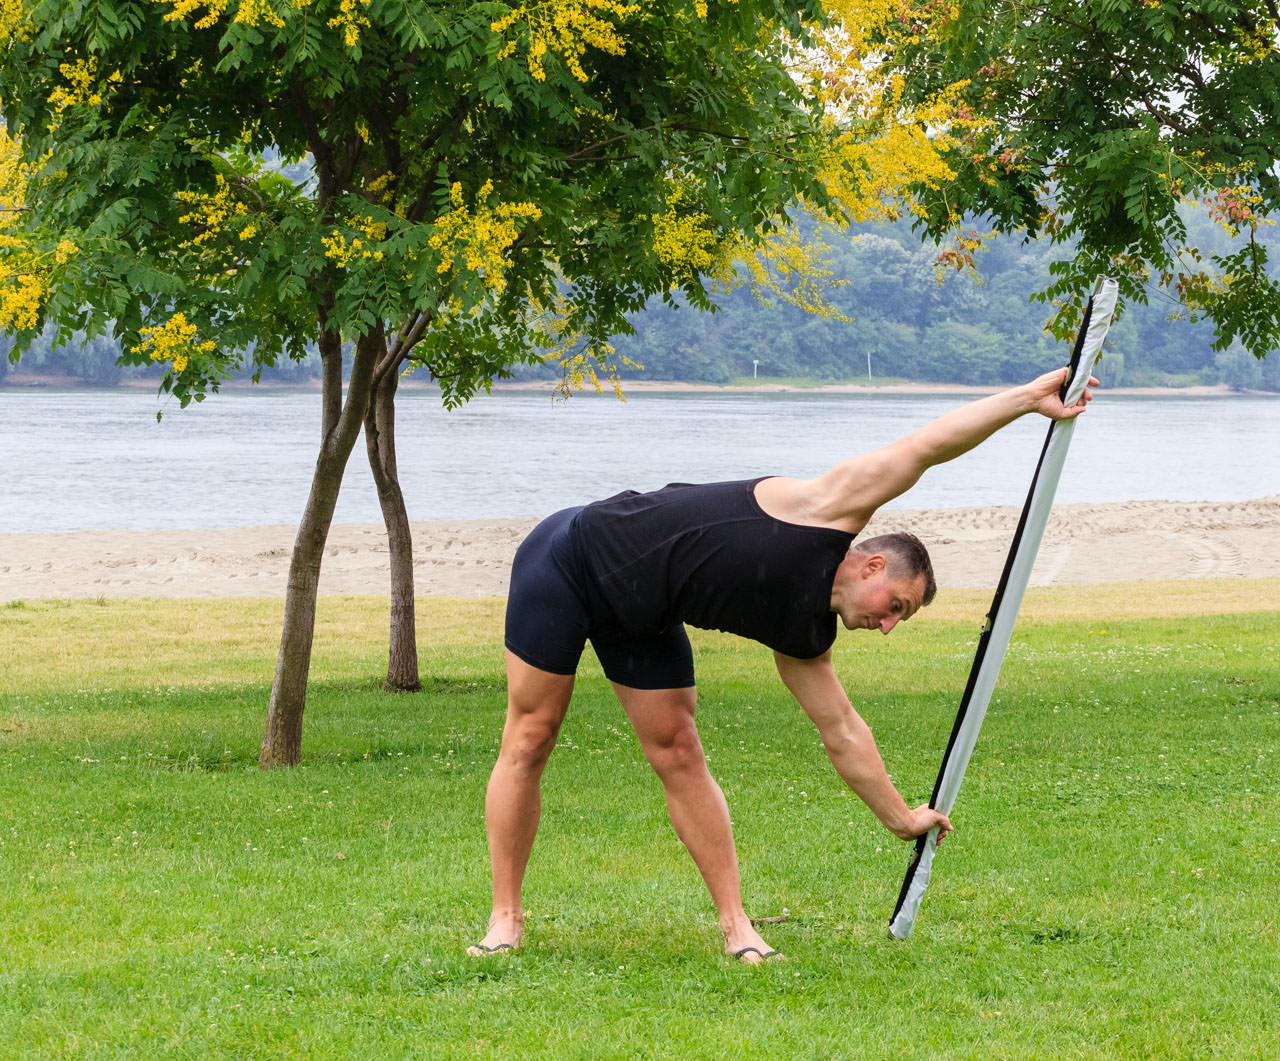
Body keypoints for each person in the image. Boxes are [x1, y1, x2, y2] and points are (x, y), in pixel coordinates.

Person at [468, 367, 1097, 963]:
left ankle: (736, 926)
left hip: (646, 612)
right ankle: (506, 921)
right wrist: (1024, 400)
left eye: (897, 621)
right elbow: (922, 449)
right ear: (873, 565)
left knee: (679, 749)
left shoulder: (805, 636)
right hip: (570, 561)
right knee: (530, 737)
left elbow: (842, 731)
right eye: (894, 607)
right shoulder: (824, 509)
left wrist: (901, 818)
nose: (885, 626)